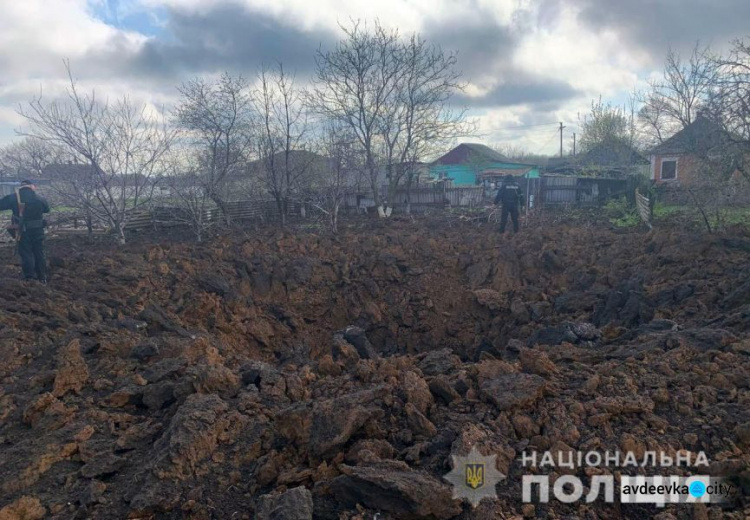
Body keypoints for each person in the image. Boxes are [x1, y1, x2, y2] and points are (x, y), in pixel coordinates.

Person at [0, 180, 50, 283]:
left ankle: (29, 278)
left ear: (21, 187)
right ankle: (42, 277)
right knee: (39, 253)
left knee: (26, 254)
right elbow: (47, 209)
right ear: (32, 187)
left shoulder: (13, 197)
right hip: (38, 230)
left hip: (23, 231)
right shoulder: (40, 198)